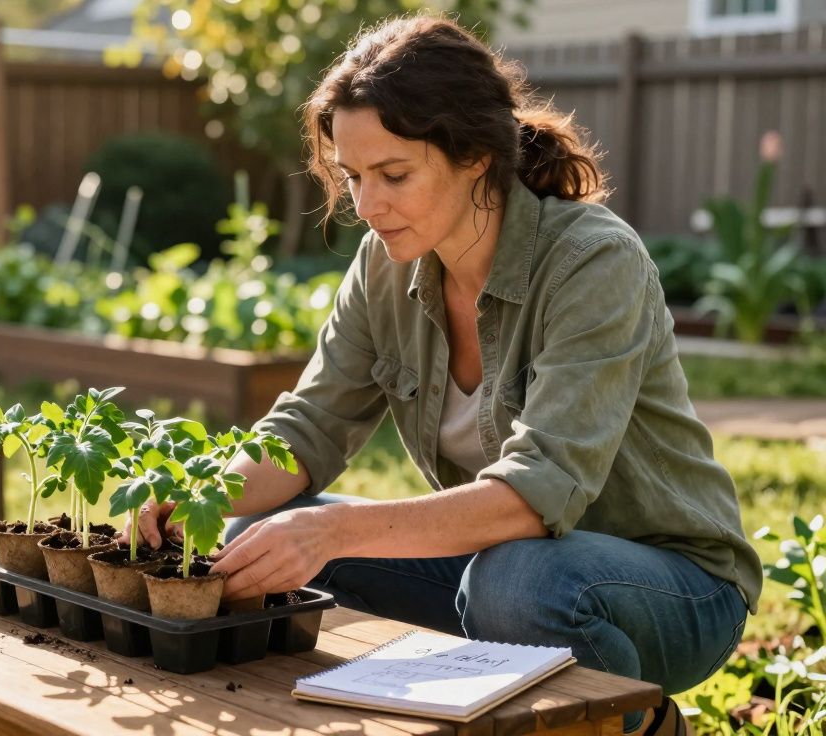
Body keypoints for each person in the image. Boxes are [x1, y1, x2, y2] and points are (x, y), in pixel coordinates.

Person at [121, 13, 758, 736]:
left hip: (667, 584)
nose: (366, 205)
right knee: (257, 533)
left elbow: (537, 492)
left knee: (514, 579)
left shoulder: (591, 262)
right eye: (354, 176)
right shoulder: (385, 266)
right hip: (497, 567)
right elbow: (308, 428)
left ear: (476, 156)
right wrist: (201, 497)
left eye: (394, 175)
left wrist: (332, 534)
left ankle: (633, 721)